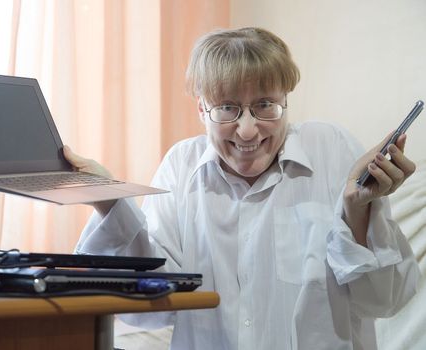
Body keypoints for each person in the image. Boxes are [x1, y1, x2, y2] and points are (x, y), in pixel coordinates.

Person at [63, 27, 420, 350]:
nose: (248, 131)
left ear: (286, 101)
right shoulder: (181, 166)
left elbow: (384, 301)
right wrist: (110, 202)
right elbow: (150, 307)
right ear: (202, 109)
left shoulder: (332, 148)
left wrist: (357, 209)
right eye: (227, 108)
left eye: (265, 105)